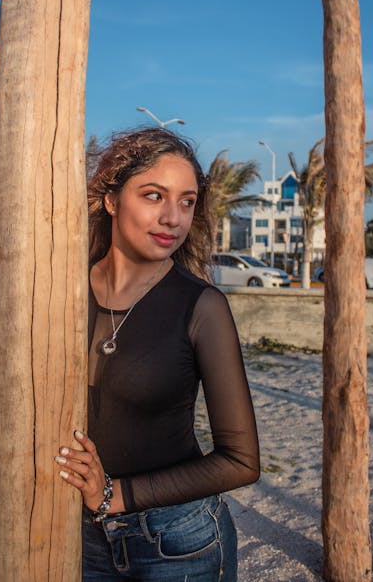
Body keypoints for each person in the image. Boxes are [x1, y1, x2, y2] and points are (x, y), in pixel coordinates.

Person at [55, 127, 260, 581]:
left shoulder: (201, 306)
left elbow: (242, 460)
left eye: (186, 202)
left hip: (179, 540)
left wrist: (114, 496)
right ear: (111, 199)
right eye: (154, 196)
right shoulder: (63, 291)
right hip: (80, 533)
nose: (173, 218)